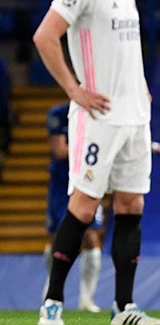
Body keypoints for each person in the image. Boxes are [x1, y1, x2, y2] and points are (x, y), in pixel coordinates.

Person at [32, 0, 159, 325]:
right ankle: (52, 303)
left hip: (134, 117)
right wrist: (75, 90)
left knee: (131, 203)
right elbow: (44, 35)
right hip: (98, 117)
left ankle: (124, 308)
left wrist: (140, 89)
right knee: (84, 206)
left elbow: (126, 50)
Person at [43, 102, 104, 312]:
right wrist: (95, 148)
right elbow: (60, 150)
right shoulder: (59, 113)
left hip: (88, 179)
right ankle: (52, 288)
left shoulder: (98, 111)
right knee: (56, 238)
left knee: (91, 237)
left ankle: (86, 299)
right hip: (62, 183)